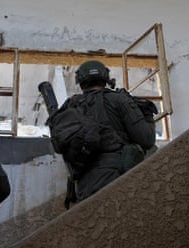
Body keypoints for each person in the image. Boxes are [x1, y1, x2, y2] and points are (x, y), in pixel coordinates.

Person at [63, 60, 156, 202]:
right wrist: (148, 114)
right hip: (117, 179)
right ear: (106, 79)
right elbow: (147, 139)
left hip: (84, 185)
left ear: (80, 84)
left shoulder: (70, 107)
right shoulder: (119, 100)